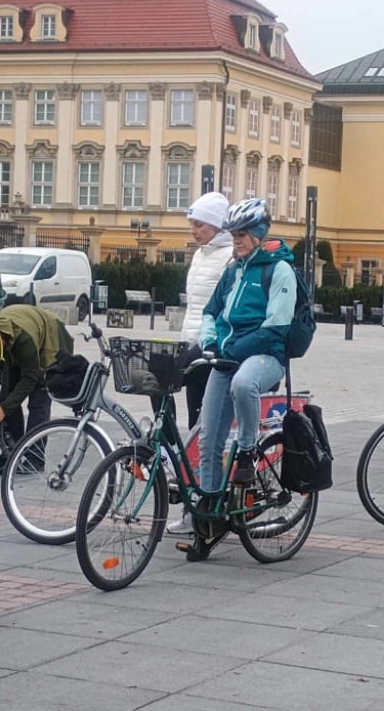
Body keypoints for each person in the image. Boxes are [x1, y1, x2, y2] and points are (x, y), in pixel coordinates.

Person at [196, 198, 296, 494]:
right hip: (227, 357)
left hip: (267, 357)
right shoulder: (233, 271)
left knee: (243, 382)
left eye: (241, 235)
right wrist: (209, 343)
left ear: (258, 234)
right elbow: (210, 313)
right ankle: (206, 512)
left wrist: (233, 350)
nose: (235, 241)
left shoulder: (278, 271)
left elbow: (277, 326)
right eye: (233, 235)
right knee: (208, 440)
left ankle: (247, 452)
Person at [166, 191, 233, 534]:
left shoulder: (229, 256)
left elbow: (222, 307)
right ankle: (195, 501)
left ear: (217, 224)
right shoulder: (201, 256)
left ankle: (205, 504)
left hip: (212, 348)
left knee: (206, 430)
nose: (194, 230)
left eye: (200, 224)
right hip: (192, 342)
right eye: (192, 224)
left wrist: (209, 341)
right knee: (192, 422)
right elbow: (194, 307)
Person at [0, 303, 70, 441]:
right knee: (7, 396)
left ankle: (34, 456)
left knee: (38, 401)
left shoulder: (26, 341)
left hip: (51, 343)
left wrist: (3, 410)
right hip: (20, 340)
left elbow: (30, 378)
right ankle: (13, 448)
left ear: (1, 343)